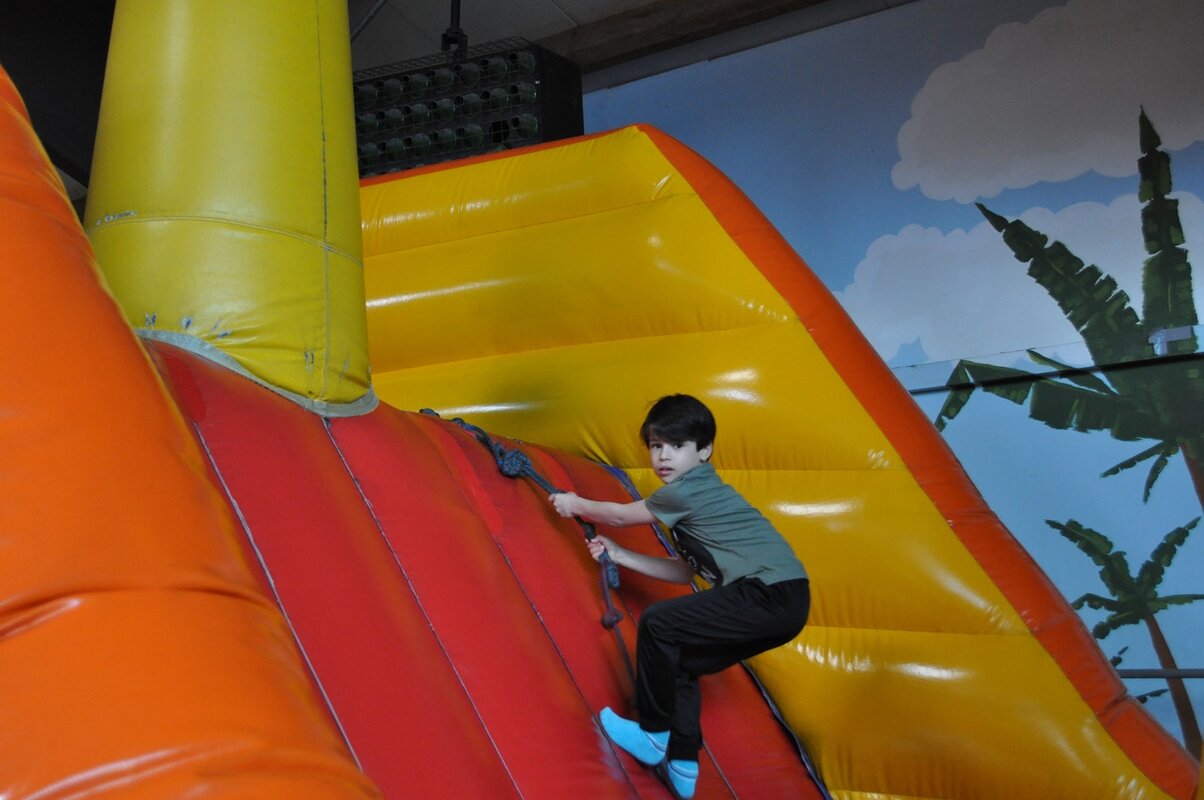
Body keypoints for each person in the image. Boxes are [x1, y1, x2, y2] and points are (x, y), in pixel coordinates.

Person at [550, 394, 809, 800]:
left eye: (677, 445)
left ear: (704, 451)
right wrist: (620, 555)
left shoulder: (690, 490)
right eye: (656, 446)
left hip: (770, 593)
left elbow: (619, 515)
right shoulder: (695, 504)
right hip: (786, 605)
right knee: (680, 661)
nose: (664, 456)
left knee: (659, 622)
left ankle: (653, 734)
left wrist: (574, 503)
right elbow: (683, 572)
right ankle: (684, 763)